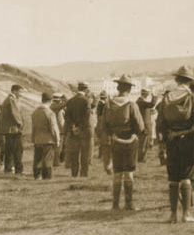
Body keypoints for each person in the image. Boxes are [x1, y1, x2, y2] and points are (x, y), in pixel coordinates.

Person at [156, 65, 194, 223]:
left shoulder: (166, 98)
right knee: (186, 176)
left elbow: (160, 123)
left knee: (173, 178)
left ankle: (172, 215)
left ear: (177, 80)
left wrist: (161, 143)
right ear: (190, 81)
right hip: (188, 140)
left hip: (171, 140)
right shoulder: (192, 98)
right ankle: (186, 214)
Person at [103, 77, 144, 211]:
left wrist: (112, 134)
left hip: (115, 140)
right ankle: (129, 203)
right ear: (130, 89)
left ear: (118, 88)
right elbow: (140, 126)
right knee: (129, 172)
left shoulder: (108, 104)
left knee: (117, 172)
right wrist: (134, 134)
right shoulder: (131, 104)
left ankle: (115, 205)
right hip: (130, 141)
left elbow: (104, 126)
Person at [63, 82, 94, 178]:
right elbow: (87, 116)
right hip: (84, 131)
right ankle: (84, 174)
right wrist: (80, 127)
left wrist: (73, 126)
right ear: (85, 90)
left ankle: (74, 174)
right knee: (84, 154)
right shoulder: (86, 101)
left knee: (74, 154)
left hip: (73, 131)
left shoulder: (70, 101)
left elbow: (67, 117)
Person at [31, 92, 60, 180]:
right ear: (50, 101)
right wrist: (57, 139)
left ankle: (37, 175)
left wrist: (33, 138)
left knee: (37, 158)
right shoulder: (50, 113)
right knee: (48, 159)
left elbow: (33, 127)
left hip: (37, 139)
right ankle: (47, 176)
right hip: (48, 140)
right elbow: (54, 128)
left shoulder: (35, 112)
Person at [0, 84, 25, 174]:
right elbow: (15, 114)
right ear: (14, 91)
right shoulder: (12, 100)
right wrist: (20, 124)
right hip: (13, 129)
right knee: (18, 149)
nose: (21, 94)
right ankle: (18, 170)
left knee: (9, 150)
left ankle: (8, 168)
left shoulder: (8, 99)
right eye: (20, 91)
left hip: (8, 129)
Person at [136, 88, 156, 162]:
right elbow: (152, 104)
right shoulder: (141, 102)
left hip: (142, 124)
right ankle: (142, 158)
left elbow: (145, 109)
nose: (148, 95)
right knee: (144, 142)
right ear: (144, 94)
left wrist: (150, 111)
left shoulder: (140, 102)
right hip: (144, 125)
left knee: (142, 142)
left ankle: (141, 158)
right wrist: (154, 96)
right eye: (147, 94)